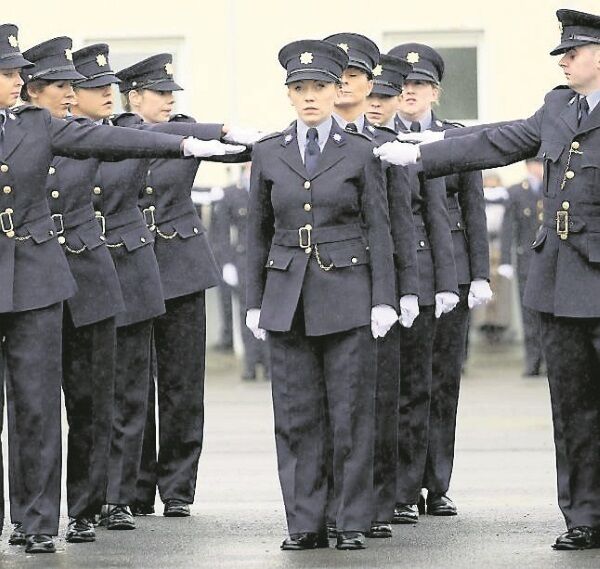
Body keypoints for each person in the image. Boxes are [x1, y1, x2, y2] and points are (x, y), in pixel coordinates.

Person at [0, 25, 232, 554]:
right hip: (20, 273)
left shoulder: (37, 126)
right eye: (11, 73)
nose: (18, 81)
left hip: (55, 276)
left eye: (18, 72)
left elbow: (109, 138)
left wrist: (189, 140)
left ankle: (52, 517)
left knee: (54, 406)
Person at [375, 7, 600, 551]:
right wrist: (423, 153)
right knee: (572, 408)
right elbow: (498, 141)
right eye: (563, 53)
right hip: (561, 276)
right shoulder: (557, 105)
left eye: (574, 52)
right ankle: (584, 515)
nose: (564, 61)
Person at [246, 39, 398, 551]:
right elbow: (257, 232)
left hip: (349, 291)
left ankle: (350, 520)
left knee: (351, 413)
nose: (309, 97)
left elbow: (379, 226)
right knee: (295, 416)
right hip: (287, 296)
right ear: (288, 95)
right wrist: (253, 300)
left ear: (338, 91)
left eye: (319, 88)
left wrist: (384, 297)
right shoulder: (269, 151)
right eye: (299, 88)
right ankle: (304, 522)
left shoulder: (360, 151)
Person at [111, 54, 257, 518]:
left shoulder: (189, 129)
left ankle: (178, 487)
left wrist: (242, 135)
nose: (170, 99)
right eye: (160, 92)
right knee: (134, 383)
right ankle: (135, 488)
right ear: (134, 97)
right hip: (131, 265)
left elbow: (242, 152)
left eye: (172, 91)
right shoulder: (113, 132)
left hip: (180, 263)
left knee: (182, 383)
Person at [321, 33, 419, 539]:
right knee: (323, 407)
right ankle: (325, 506)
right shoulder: (303, 139)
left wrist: (405, 288)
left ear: (368, 83)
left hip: (373, 283)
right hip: (318, 286)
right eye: (333, 77)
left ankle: (377, 504)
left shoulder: (383, 144)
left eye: (353, 76)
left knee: (378, 398)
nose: (342, 86)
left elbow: (401, 220)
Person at [389, 42, 491, 516]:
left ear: (436, 92)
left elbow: (473, 209)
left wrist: (480, 274)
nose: (410, 93)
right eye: (404, 85)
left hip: (453, 270)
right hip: (406, 273)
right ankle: (404, 488)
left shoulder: (454, 139)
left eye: (420, 85)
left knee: (445, 381)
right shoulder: (383, 138)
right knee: (408, 383)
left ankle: (438, 483)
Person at [214, 163, 271, 381]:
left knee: (269, 314)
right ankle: (250, 364)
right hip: (244, 259)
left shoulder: (268, 191)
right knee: (247, 313)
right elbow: (221, 232)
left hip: (268, 259)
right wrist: (226, 263)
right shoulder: (232, 194)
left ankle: (267, 365)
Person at [498, 158, 545, 376]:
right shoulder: (516, 192)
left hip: (550, 262)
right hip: (527, 260)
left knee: (550, 314)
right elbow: (508, 228)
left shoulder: (553, 189)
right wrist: (505, 260)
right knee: (529, 314)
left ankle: (549, 360)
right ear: (529, 166)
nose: (541, 169)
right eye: (538, 164)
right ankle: (533, 360)